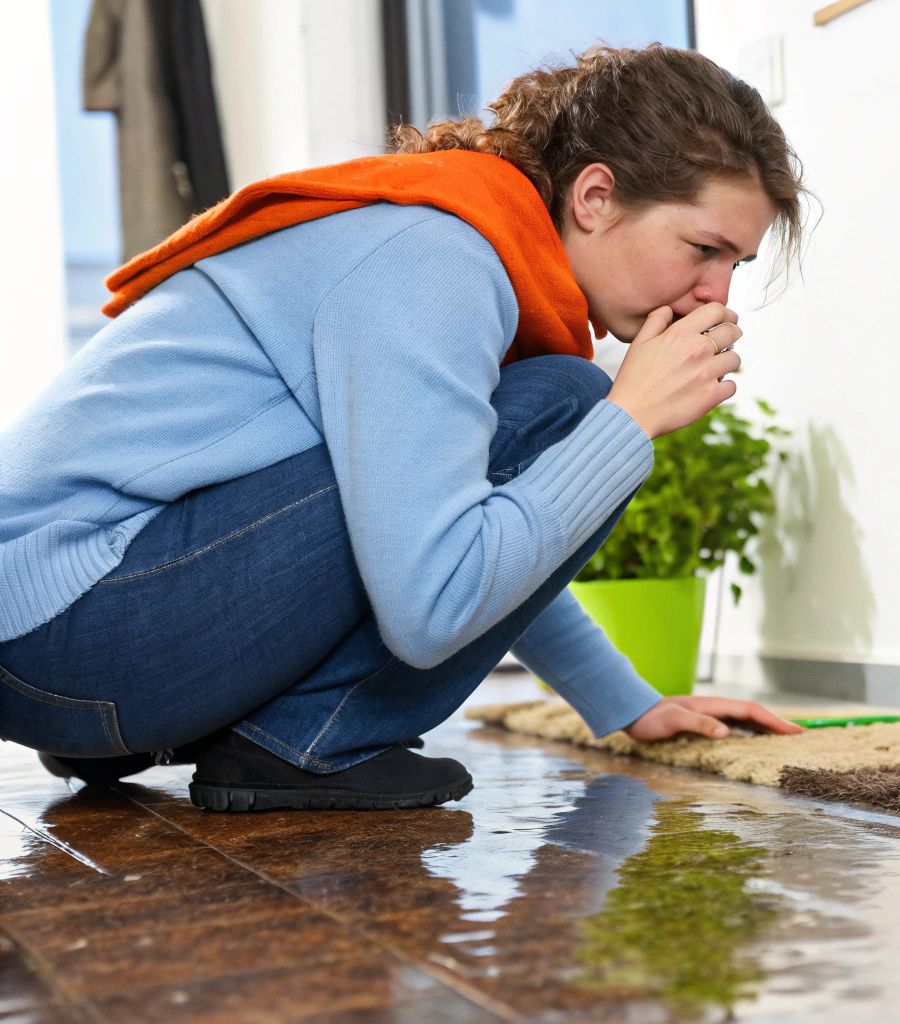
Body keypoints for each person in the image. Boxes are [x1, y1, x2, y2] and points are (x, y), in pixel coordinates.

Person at [0, 43, 811, 811]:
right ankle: (307, 744)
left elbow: (450, 518)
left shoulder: (454, 234)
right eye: (703, 248)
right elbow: (434, 606)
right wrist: (623, 423)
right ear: (595, 198)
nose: (717, 296)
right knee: (569, 403)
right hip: (72, 634)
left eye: (734, 265)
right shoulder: (436, 257)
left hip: (65, 646)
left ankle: (142, 728)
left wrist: (627, 702)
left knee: (560, 412)